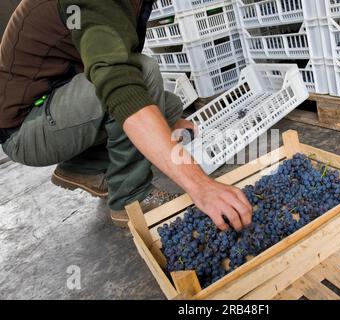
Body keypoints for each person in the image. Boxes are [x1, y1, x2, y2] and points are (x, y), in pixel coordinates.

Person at [0, 0, 252, 230]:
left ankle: (85, 167)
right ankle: (131, 196)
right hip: (23, 129)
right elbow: (119, 86)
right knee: (143, 73)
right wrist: (200, 184)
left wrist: (166, 121)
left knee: (169, 104)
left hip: (53, 108)